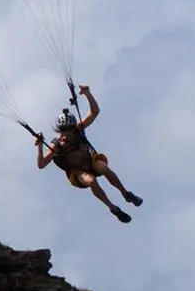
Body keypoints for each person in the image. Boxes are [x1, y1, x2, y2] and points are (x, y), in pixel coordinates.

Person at [35, 84, 143, 222]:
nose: (67, 133)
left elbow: (94, 112)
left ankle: (126, 194)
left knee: (103, 167)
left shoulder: (78, 129)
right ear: (59, 130)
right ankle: (113, 208)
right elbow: (41, 164)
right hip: (77, 172)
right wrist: (40, 146)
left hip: (91, 162)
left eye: (70, 129)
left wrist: (87, 94)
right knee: (91, 180)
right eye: (64, 130)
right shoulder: (57, 145)